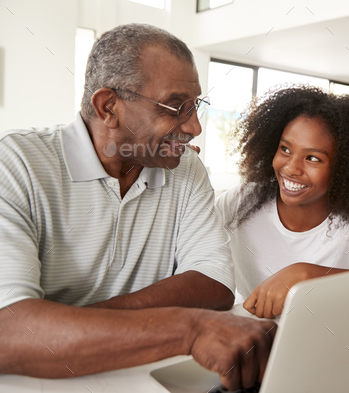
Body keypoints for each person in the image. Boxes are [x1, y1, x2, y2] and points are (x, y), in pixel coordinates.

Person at [0, 24, 274, 391]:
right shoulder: (15, 165)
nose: (194, 127)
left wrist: (73, 326)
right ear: (108, 107)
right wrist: (188, 329)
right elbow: (11, 330)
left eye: (196, 106)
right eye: (176, 107)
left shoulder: (186, 170)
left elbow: (215, 284)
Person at [215, 86, 349, 319]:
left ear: (346, 169)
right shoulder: (241, 201)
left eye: (312, 158)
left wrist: (306, 275)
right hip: (252, 331)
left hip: (320, 333)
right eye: (285, 149)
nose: (290, 168)